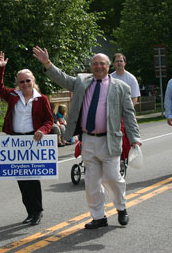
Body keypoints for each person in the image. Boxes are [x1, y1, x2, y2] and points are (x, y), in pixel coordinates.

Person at [33, 46, 141, 229]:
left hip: (110, 140)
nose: (98, 66)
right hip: (88, 139)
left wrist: (134, 138)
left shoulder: (121, 87)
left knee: (113, 177)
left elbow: (129, 115)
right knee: (92, 182)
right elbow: (63, 78)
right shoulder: (82, 81)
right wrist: (47, 63)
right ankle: (99, 217)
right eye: (95, 64)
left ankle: (121, 208)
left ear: (108, 67)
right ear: (91, 66)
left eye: (102, 64)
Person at [0, 51, 53, 226]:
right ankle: (30, 212)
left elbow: (49, 120)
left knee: (33, 179)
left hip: (33, 140)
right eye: (22, 81)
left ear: (33, 81)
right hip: (16, 141)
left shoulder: (41, 99)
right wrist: (0, 70)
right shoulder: (13, 95)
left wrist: (42, 130)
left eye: (28, 80)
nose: (25, 84)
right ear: (18, 84)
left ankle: (38, 211)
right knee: (21, 180)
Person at [111, 53, 141, 171]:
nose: (119, 63)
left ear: (125, 63)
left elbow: (134, 97)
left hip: (126, 113)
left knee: (126, 138)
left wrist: (128, 111)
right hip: (112, 113)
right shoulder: (110, 78)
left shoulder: (130, 78)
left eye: (121, 61)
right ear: (113, 63)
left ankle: (124, 158)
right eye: (117, 61)